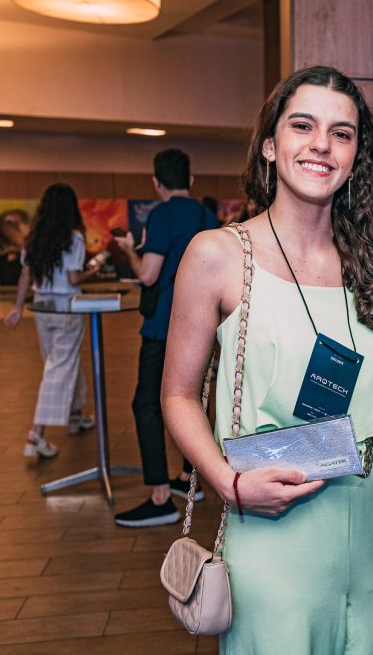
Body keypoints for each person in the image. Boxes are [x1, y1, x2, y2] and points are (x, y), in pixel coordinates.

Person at [162, 65, 373, 654]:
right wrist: (231, 485)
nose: (321, 144)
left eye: (342, 133)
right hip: (271, 529)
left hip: (369, 533)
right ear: (271, 146)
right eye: (303, 126)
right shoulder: (220, 256)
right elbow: (176, 395)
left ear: (357, 156)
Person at [113, 149, 221, 527]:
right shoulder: (209, 217)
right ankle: (190, 477)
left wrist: (130, 251)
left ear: (156, 183)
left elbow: (147, 275)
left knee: (147, 403)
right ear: (191, 181)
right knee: (191, 397)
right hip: (203, 324)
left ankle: (160, 496)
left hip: (162, 324)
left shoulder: (159, 215)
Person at [3, 184, 101, 458]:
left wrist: (17, 308)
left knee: (61, 363)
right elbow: (73, 278)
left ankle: (76, 415)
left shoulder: (34, 238)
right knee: (59, 368)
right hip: (68, 308)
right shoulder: (74, 238)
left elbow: (26, 276)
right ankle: (36, 434)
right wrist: (92, 271)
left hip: (42, 309)